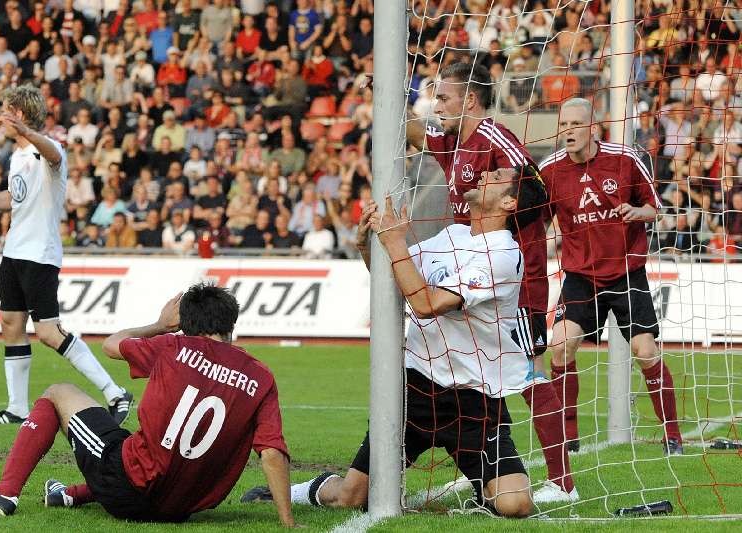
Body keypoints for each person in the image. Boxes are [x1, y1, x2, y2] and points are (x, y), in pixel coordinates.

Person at [244, 167, 547, 517]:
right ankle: (306, 489)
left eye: (496, 175)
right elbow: (394, 279)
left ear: (509, 201)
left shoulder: (504, 256)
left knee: (516, 505)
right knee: (351, 497)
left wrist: (394, 241)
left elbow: (426, 303)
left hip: (475, 395)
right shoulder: (452, 235)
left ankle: (482, 490)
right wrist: (365, 244)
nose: (484, 174)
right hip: (416, 386)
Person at [0, 284, 297, 528]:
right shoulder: (260, 377)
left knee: (58, 392)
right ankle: (67, 495)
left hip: (129, 491)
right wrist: (287, 523)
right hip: (182, 509)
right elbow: (270, 454)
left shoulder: (172, 347)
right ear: (231, 324)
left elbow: (113, 345)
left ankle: (5, 495)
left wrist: (160, 325)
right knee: (134, 444)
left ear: (185, 326)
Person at [404, 62, 575, 503]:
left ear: (470, 100)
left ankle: (562, 482)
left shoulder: (496, 139)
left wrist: (510, 253)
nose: (435, 106)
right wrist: (383, 95)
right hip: (468, 281)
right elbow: (415, 133)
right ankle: (479, 462)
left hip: (510, 287)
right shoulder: (453, 143)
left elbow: (534, 193)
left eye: (443, 98)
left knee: (526, 374)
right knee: (475, 375)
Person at [0, 85, 132, 425]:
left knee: (49, 333)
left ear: (20, 115)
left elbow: (54, 154)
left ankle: (115, 392)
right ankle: (16, 408)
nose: (0, 116)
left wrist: (29, 133)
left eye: (6, 110)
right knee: (11, 324)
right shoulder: (18, 156)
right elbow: (15, 197)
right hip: (14, 251)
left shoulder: (46, 150)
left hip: (40, 254)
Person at [539, 98, 683, 456]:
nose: (567, 131)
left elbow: (655, 209)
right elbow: (539, 220)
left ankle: (673, 436)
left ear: (593, 127)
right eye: (563, 124)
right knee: (560, 346)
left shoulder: (625, 159)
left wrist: (637, 211)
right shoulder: (551, 170)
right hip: (580, 275)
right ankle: (568, 438)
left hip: (625, 272)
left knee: (645, 350)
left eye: (575, 124)